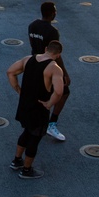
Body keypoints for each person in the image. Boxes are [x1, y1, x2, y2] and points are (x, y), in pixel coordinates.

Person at [6, 41, 65, 179]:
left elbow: (10, 72)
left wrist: (18, 89)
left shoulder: (28, 59)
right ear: (58, 55)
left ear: (45, 49)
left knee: (26, 131)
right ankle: (27, 170)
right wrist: (49, 103)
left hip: (25, 105)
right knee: (35, 138)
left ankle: (16, 160)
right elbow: (59, 91)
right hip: (39, 108)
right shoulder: (54, 68)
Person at [27, 2, 70, 141]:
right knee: (63, 92)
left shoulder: (32, 25)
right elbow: (56, 53)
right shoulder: (52, 31)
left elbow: (32, 44)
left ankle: (33, 122)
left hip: (34, 62)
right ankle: (52, 124)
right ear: (52, 13)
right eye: (55, 11)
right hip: (47, 66)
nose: (56, 12)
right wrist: (64, 73)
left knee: (39, 93)